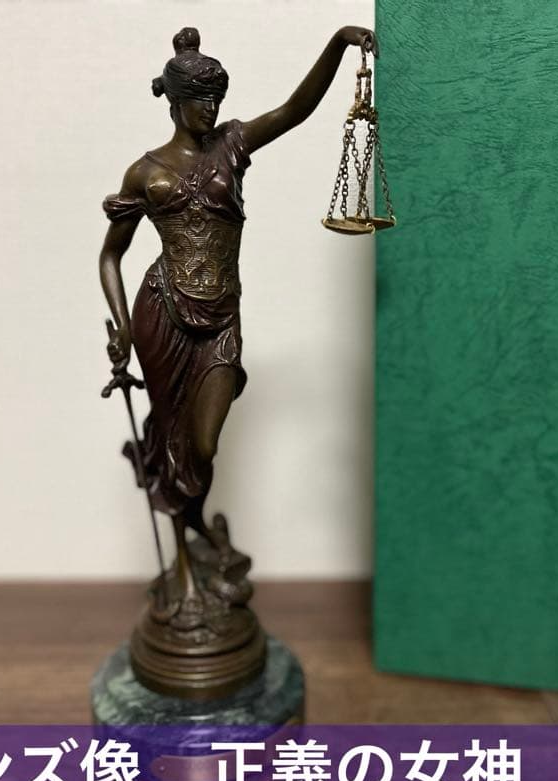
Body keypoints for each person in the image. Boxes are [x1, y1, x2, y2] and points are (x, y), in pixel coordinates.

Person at [99, 25, 377, 627]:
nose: (211, 109)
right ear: (174, 100)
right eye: (201, 99)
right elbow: (110, 256)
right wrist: (121, 326)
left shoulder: (232, 145)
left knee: (202, 444)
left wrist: (338, 43)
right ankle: (183, 566)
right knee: (174, 441)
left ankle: (198, 531)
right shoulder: (144, 173)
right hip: (163, 315)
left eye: (217, 98)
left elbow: (295, 109)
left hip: (222, 317)